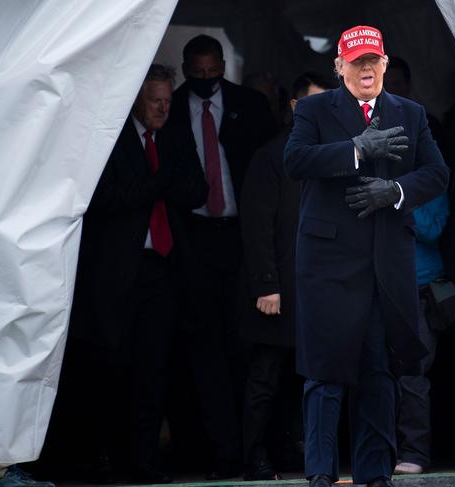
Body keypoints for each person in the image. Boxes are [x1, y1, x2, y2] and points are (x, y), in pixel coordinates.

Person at [284, 25, 448, 487]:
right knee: (325, 374)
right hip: (328, 264)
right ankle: (320, 473)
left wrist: (395, 190)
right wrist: (355, 150)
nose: (366, 69)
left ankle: (374, 475)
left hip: (384, 263)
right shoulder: (315, 108)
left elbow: (437, 174)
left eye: (373, 61)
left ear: (385, 63)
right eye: (357, 62)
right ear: (339, 67)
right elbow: (295, 161)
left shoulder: (410, 113)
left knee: (378, 370)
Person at [69, 64, 208, 484]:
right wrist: (162, 179)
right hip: (116, 273)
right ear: (136, 99)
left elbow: (197, 191)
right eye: (155, 102)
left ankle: (143, 461)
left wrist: (154, 184)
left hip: (162, 270)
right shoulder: (111, 139)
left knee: (154, 368)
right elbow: (108, 198)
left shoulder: (177, 135)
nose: (164, 109)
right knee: (111, 367)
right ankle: (105, 458)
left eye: (168, 101)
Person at [166, 34, 276, 480]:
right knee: (202, 347)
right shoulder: (170, 108)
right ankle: (215, 450)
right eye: (198, 75)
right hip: (192, 239)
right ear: (187, 69)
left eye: (214, 74)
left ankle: (255, 447)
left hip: (242, 237)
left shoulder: (250, 105)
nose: (206, 82)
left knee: (247, 346)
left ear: (224, 65)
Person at [239, 72, 333, 481]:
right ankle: (254, 456)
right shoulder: (272, 154)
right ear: (296, 108)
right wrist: (266, 284)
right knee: (265, 378)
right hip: (279, 288)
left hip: (316, 288)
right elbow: (257, 224)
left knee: (307, 377)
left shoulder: (331, 153)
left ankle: (292, 450)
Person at [394, 193, 449, 475]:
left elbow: (432, 229)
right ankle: (377, 450)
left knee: (412, 374)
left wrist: (400, 198)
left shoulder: (429, 183)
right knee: (375, 372)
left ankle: (414, 452)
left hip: (419, 288)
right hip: (379, 286)